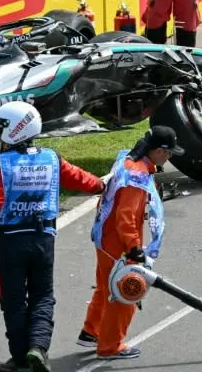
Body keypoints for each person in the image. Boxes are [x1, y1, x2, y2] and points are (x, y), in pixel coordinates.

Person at [0, 101, 106, 372]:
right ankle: (38, 348)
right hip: (43, 240)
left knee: (13, 301)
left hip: (10, 242)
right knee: (43, 296)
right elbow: (78, 178)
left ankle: (20, 359)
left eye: (2, 128)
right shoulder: (51, 158)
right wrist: (101, 185)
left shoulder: (2, 164)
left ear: (15, 129)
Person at [76, 125, 183, 360]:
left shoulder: (128, 160)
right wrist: (134, 248)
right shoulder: (137, 178)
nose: (169, 157)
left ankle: (91, 331)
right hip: (118, 244)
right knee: (125, 293)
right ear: (158, 151)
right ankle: (110, 346)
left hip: (104, 236)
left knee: (105, 287)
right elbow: (126, 218)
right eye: (168, 153)